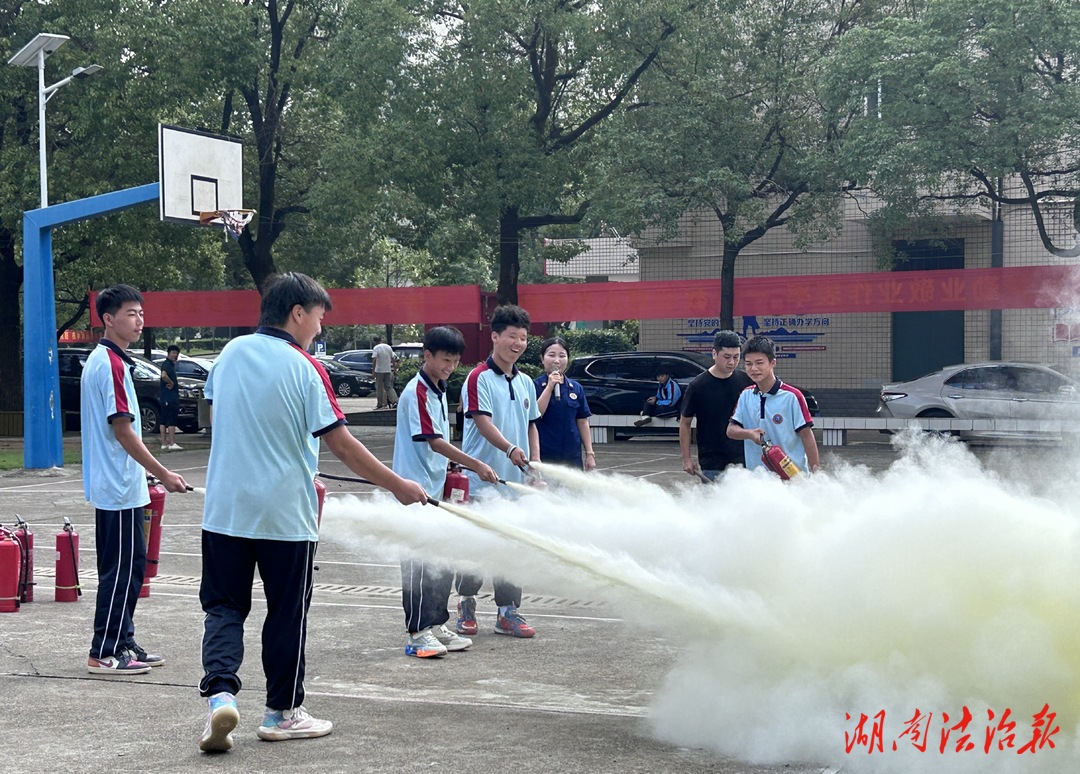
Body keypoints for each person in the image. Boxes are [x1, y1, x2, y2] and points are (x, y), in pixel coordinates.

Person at [197, 272, 428, 753]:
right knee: (286, 615)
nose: (320, 330)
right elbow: (341, 444)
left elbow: (225, 426)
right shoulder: (306, 368)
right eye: (319, 318)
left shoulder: (229, 355)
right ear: (297, 313)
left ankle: (220, 693)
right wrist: (398, 486)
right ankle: (282, 712)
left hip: (224, 512)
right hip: (284, 517)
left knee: (223, 609)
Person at [81, 284, 189, 677]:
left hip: (124, 483)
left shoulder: (112, 360)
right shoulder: (108, 363)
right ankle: (104, 651)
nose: (139, 319)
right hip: (117, 487)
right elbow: (123, 430)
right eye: (130, 313)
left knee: (132, 567)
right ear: (108, 319)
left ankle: (124, 641)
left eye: (141, 312)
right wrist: (163, 471)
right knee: (121, 570)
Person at [394, 326, 500, 658]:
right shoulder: (418, 392)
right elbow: (434, 441)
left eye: (455, 361)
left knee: (441, 559)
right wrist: (475, 463)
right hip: (413, 492)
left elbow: (438, 443)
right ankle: (416, 633)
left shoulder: (439, 389)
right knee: (418, 563)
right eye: (444, 360)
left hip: (435, 491)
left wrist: (454, 469)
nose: (450, 367)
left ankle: (436, 623)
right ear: (427, 355)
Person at [454, 304, 541, 639]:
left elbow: (532, 425)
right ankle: (466, 605)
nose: (517, 344)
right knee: (475, 547)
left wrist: (534, 463)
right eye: (511, 337)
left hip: (515, 484)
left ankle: (508, 612)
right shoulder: (479, 378)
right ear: (494, 337)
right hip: (480, 482)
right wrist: (508, 449)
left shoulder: (526, 383)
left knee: (511, 549)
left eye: (522, 338)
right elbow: (482, 421)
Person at [727, 336, 820, 475]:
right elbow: (731, 430)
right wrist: (750, 434)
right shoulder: (745, 395)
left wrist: (816, 475)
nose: (754, 368)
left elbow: (807, 436)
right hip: (757, 480)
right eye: (748, 364)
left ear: (772, 363)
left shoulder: (792, 396)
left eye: (759, 363)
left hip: (792, 478)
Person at [679, 331, 753, 481]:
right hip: (712, 463)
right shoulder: (698, 386)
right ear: (714, 353)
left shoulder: (746, 381)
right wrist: (686, 459)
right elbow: (685, 423)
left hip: (743, 459)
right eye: (726, 357)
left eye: (736, 357)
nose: (732, 362)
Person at [534, 336, 596, 470]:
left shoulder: (576, 388)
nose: (557, 360)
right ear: (542, 359)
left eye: (562, 356)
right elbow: (535, 414)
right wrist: (550, 387)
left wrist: (589, 453)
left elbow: (582, 421)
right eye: (551, 355)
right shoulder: (535, 385)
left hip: (572, 455)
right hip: (545, 454)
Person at [158, 344, 182, 450]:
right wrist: (171, 383)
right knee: (171, 420)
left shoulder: (170, 365)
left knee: (163, 420)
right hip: (170, 397)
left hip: (164, 397)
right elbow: (163, 375)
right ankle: (172, 443)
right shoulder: (167, 364)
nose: (175, 355)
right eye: (173, 353)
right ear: (168, 354)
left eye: (176, 354)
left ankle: (164, 443)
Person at [372, 335, 398, 409]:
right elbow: (393, 359)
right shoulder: (388, 347)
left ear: (375, 341)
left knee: (379, 388)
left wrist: (373, 371)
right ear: (381, 340)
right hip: (388, 370)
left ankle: (380, 404)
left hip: (379, 370)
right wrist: (395, 370)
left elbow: (374, 360)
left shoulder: (376, 348)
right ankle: (395, 401)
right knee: (388, 387)